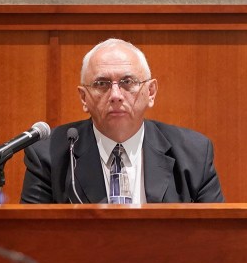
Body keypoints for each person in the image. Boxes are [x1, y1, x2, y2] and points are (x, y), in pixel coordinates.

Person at [20, 38, 224, 204]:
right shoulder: (47, 155)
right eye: (101, 84)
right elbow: (34, 239)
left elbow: (214, 241)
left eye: (128, 82)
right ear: (84, 98)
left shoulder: (194, 153)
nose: (116, 95)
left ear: (150, 92)